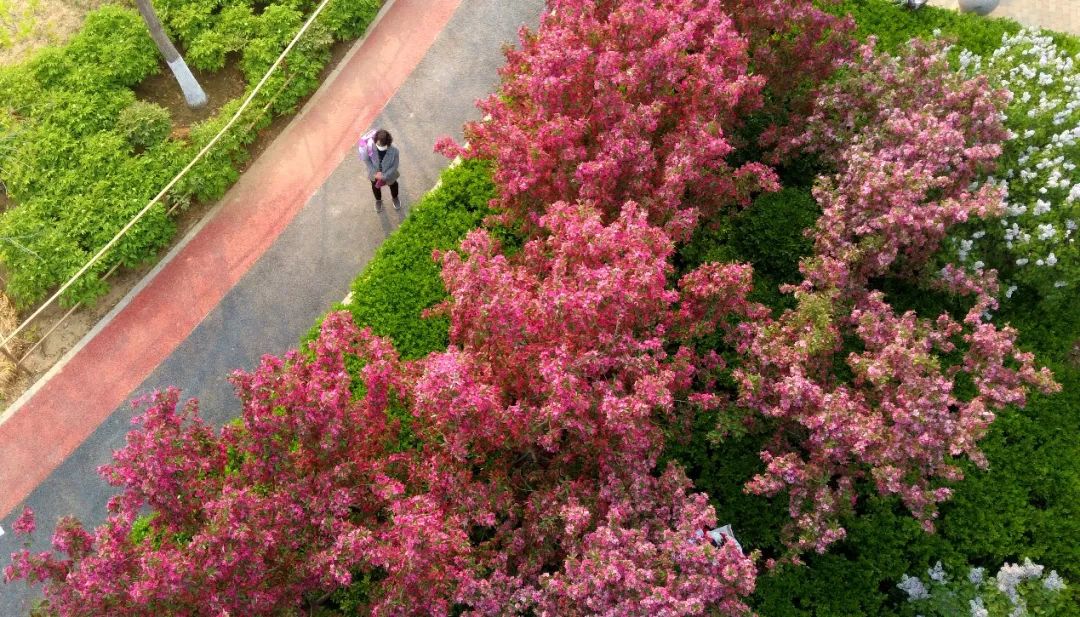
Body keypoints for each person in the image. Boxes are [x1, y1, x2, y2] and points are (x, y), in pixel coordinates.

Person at [364, 129, 400, 211]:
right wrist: (375, 172)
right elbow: (367, 160)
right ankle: (378, 200)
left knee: (393, 185)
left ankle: (395, 197)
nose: (380, 147)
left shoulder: (395, 150)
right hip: (374, 173)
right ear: (375, 140)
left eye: (383, 146)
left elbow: (395, 165)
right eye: (378, 145)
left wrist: (384, 175)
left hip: (389, 173)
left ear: (388, 142)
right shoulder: (369, 147)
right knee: (375, 187)